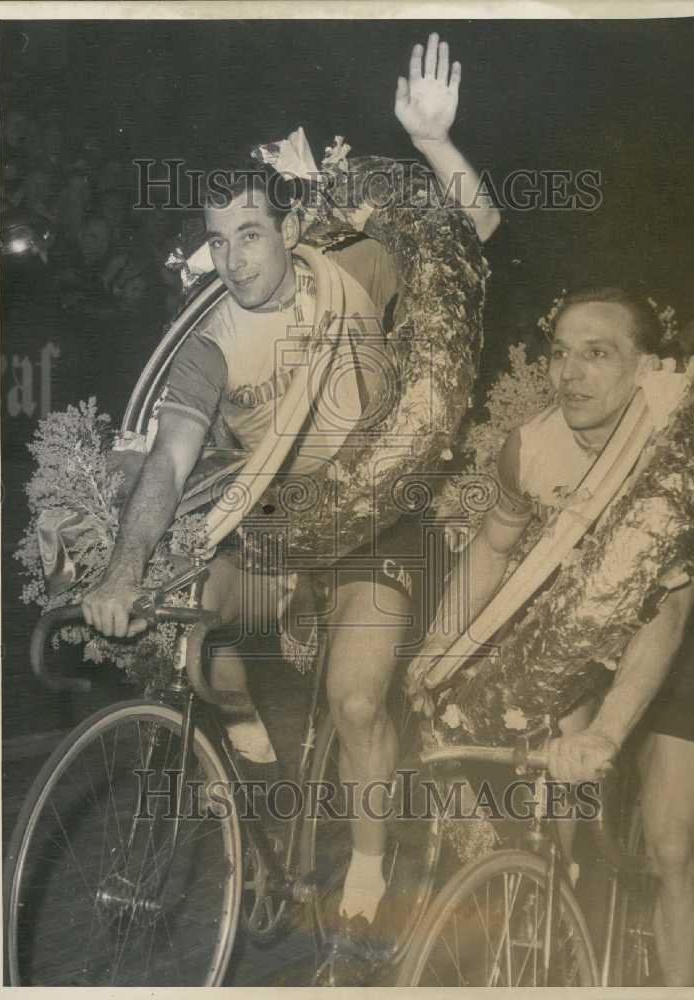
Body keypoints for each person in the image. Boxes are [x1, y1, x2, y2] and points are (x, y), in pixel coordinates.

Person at [82, 33, 499, 986]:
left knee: (357, 697)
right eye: (219, 241)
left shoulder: (352, 267)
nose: (235, 259)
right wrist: (120, 570)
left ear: (289, 228)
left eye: (251, 234)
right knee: (180, 640)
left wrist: (436, 141)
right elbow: (172, 460)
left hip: (384, 524)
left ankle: (363, 875)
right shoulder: (209, 345)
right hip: (279, 533)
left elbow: (472, 230)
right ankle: (254, 762)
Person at [420, 286, 694, 986]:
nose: (568, 374)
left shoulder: (684, 445)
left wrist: (609, 733)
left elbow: (666, 616)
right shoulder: (531, 447)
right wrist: (437, 649)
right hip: (581, 633)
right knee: (545, 798)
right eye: (558, 354)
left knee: (673, 842)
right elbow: (491, 550)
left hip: (682, 636)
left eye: (596, 354)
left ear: (646, 368)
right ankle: (548, 918)